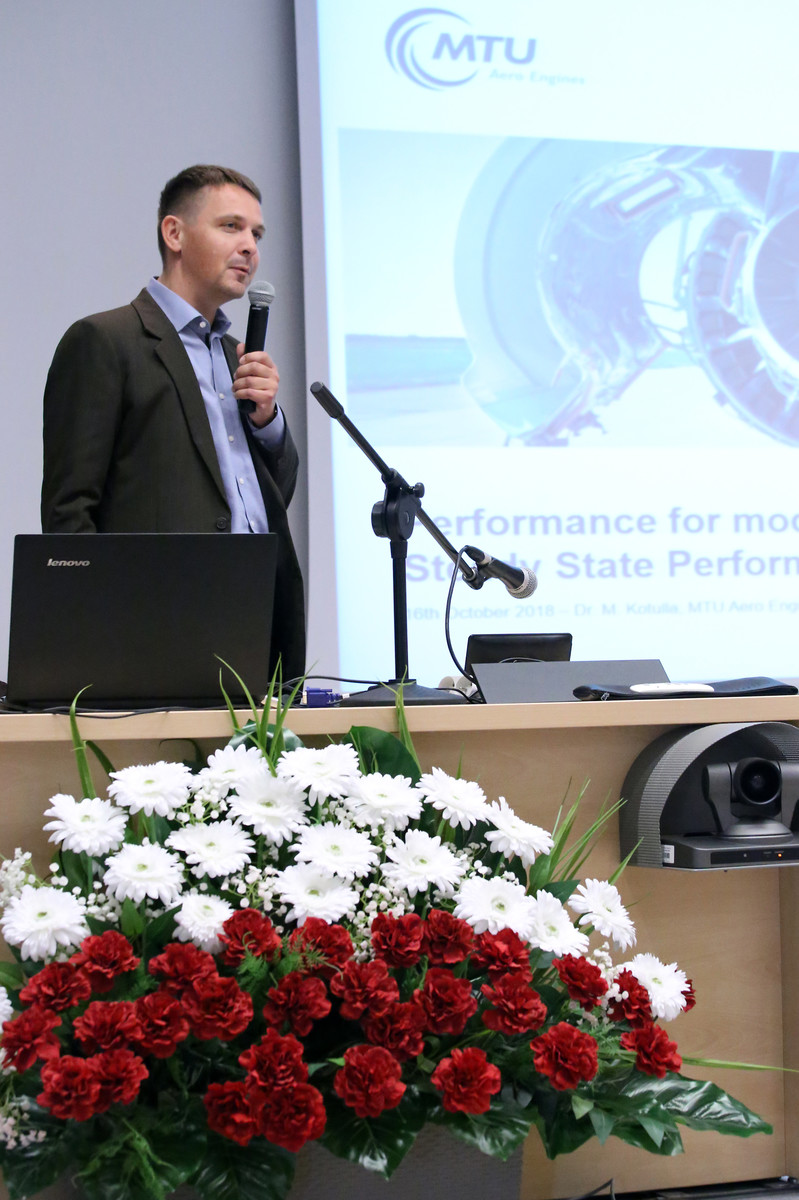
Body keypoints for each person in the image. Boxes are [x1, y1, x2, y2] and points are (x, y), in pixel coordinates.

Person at [41, 164, 305, 680]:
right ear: (174, 233)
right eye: (231, 227)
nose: (250, 247)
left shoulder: (237, 355)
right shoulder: (107, 341)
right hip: (153, 631)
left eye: (257, 234)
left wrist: (268, 421)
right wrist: (94, 647)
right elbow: (69, 515)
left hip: (256, 620)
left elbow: (276, 496)